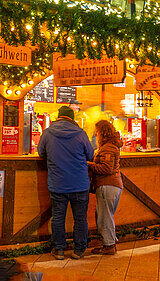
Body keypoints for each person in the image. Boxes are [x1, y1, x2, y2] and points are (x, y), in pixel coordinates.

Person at [37, 105, 95, 260]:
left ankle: (59, 250)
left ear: (58, 117)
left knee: (58, 217)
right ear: (72, 118)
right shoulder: (81, 133)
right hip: (80, 184)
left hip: (58, 183)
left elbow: (41, 153)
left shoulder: (48, 133)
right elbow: (90, 154)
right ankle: (79, 250)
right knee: (80, 218)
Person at [88, 119, 123, 255]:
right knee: (105, 215)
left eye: (96, 132)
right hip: (113, 185)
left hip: (107, 185)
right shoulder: (111, 145)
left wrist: (89, 164)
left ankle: (109, 246)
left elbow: (106, 168)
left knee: (104, 217)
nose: (95, 135)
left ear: (101, 133)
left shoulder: (107, 147)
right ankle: (110, 243)